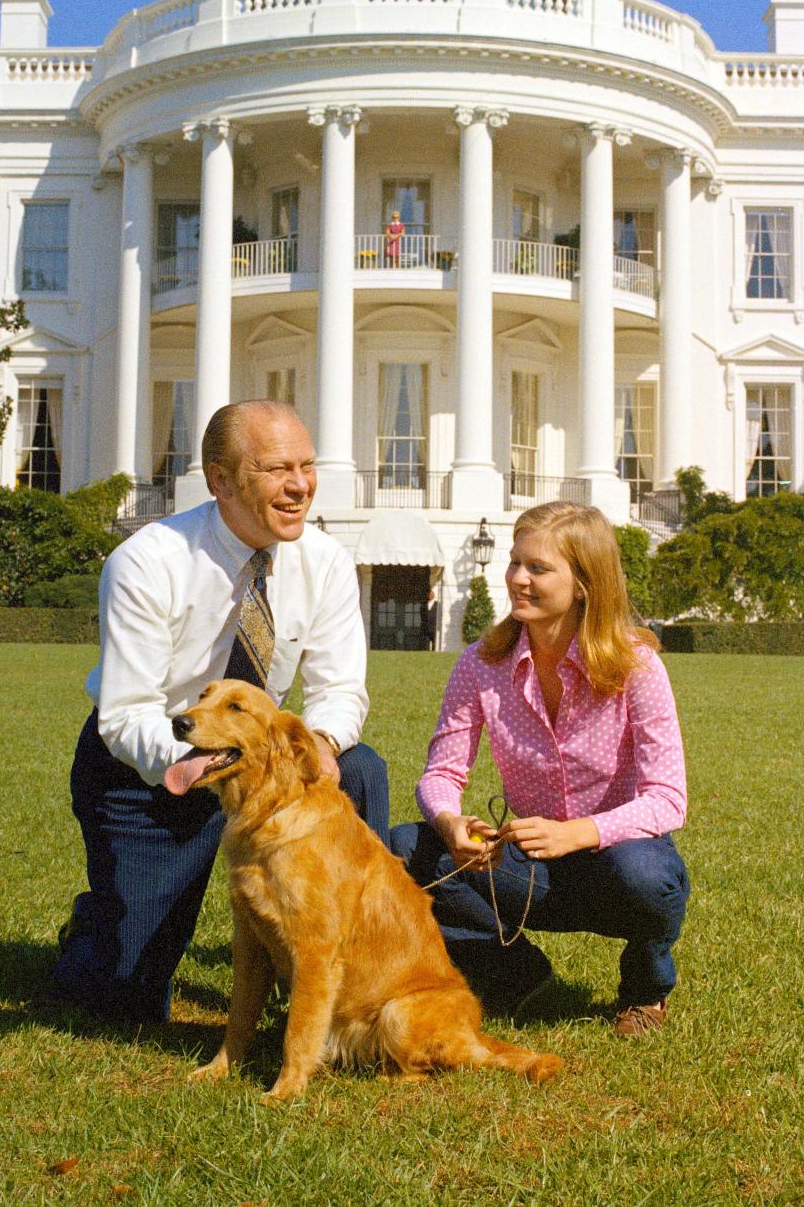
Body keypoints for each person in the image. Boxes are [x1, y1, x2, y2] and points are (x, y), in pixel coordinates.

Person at [53, 400, 389, 1019]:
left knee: (363, 770)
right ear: (221, 481)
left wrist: (324, 742)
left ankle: (337, 975)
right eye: (275, 469)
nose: (299, 486)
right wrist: (201, 766)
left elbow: (341, 689)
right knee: (123, 997)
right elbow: (127, 716)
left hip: (255, 758)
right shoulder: (147, 562)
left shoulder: (328, 561)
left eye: (307, 466)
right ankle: (98, 928)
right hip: (149, 763)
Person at [390, 501, 689, 1037]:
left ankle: (646, 991)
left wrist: (578, 832)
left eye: (538, 568)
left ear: (583, 584)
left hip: (615, 863)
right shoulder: (481, 664)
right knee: (405, 849)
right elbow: (441, 774)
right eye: (514, 563)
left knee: (649, 876)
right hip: (532, 871)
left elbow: (667, 799)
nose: (517, 579)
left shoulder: (636, 666)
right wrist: (450, 824)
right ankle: (517, 973)